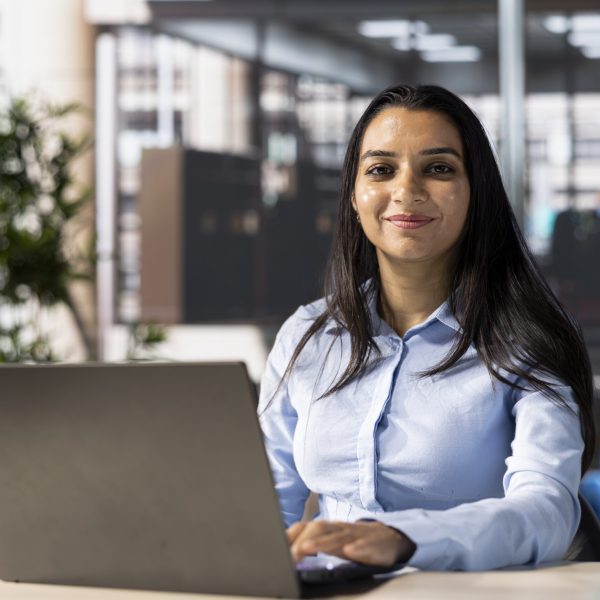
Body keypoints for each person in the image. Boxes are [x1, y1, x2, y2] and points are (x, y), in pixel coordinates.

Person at [258, 84, 595, 571]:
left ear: (475, 192)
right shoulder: (309, 335)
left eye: (438, 168)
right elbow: (269, 507)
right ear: (354, 195)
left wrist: (402, 538)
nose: (406, 190)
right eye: (380, 169)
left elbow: (546, 512)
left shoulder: (525, 340)